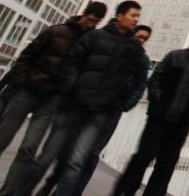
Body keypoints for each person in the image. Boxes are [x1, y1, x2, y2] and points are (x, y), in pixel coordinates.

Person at [0, 1, 107, 196]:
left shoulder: (89, 42)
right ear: (84, 14)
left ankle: (8, 192)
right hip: (28, 92)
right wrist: (21, 83)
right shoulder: (55, 32)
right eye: (90, 20)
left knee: (29, 148)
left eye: (96, 22)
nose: (91, 25)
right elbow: (26, 57)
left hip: (52, 99)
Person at [7, 0, 144, 196]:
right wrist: (72, 89)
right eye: (133, 16)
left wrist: (118, 100)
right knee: (46, 157)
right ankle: (23, 191)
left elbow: (134, 78)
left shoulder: (134, 48)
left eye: (138, 17)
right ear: (120, 16)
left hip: (99, 113)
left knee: (76, 162)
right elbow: (72, 63)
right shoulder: (94, 37)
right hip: (73, 107)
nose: (136, 20)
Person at [33, 24, 154, 196]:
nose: (140, 40)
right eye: (139, 35)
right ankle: (52, 183)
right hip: (87, 104)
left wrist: (126, 103)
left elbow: (140, 84)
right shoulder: (111, 46)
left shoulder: (141, 59)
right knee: (71, 150)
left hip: (112, 109)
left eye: (144, 38)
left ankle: (71, 192)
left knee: (91, 155)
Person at [111, 25, 189, 196]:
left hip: (181, 122)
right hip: (158, 118)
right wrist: (158, 99)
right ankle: (124, 191)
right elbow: (156, 79)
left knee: (166, 165)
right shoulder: (174, 56)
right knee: (143, 157)